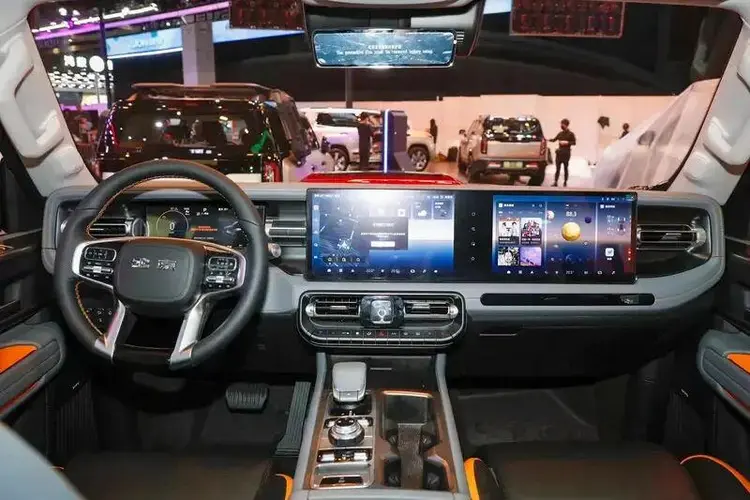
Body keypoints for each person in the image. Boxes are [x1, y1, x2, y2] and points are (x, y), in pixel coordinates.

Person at [549, 118, 576, 187]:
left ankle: (565, 182)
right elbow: (554, 139)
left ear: (566, 125)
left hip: (566, 153)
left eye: (562, 124)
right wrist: (548, 139)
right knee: (557, 168)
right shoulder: (560, 133)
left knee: (565, 168)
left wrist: (567, 142)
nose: (561, 125)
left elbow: (574, 142)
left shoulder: (571, 134)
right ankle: (555, 182)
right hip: (559, 153)